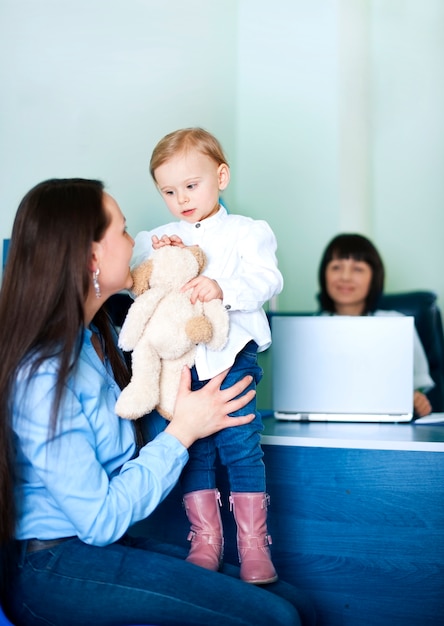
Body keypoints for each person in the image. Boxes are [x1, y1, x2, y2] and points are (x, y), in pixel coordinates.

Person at [0, 178, 317, 626]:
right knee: (277, 618)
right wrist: (184, 430)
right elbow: (100, 520)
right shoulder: (44, 374)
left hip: (101, 546)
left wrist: (208, 409)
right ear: (93, 257)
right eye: (124, 231)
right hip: (55, 564)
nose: (136, 243)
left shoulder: (100, 338)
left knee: (298, 605)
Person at [132, 128, 283, 585]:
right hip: (180, 364)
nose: (181, 199)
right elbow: (137, 286)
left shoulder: (246, 232)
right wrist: (155, 264)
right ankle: (205, 540)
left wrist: (224, 289)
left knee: (240, 445)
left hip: (230, 354)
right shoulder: (157, 237)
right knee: (193, 450)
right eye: (169, 191)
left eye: (191, 186)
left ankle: (255, 545)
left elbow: (267, 280)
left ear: (221, 176)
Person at [318, 233, 434, 417]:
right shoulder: (312, 330)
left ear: (374, 276)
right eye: (336, 267)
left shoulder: (397, 324)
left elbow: (417, 387)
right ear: (324, 274)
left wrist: (416, 400)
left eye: (357, 269)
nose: (345, 277)